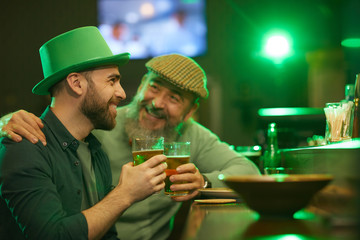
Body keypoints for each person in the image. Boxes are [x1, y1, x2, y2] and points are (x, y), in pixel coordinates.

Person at [0, 53, 260, 239]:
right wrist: (4, 123)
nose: (157, 103)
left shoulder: (192, 135)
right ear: (142, 84)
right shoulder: (103, 124)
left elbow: (249, 172)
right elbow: (54, 130)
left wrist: (203, 182)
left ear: (190, 110)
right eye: (154, 87)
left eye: (174, 98)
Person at [0, 26, 167, 239]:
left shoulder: (96, 150)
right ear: (76, 83)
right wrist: (124, 194)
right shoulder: (24, 147)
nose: (122, 93)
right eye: (112, 80)